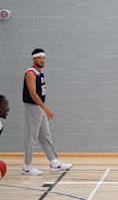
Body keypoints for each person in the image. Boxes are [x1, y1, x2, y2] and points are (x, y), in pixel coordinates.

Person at [22, 48, 72, 176]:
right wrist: (45, 108)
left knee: (45, 136)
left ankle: (54, 163)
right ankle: (26, 166)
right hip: (33, 107)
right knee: (31, 137)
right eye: (39, 58)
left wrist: (43, 107)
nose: (42, 60)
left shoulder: (40, 72)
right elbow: (33, 93)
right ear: (34, 59)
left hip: (39, 107)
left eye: (43, 58)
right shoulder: (30, 73)